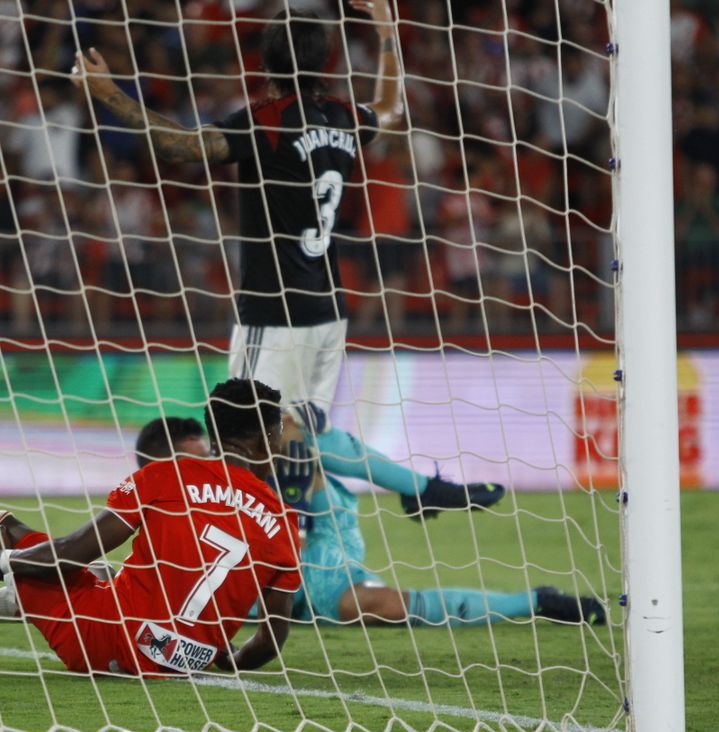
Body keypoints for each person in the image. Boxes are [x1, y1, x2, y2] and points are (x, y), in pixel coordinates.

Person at [70, 2, 504, 522]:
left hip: (274, 313)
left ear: (262, 65)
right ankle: (417, 488)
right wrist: (388, 33)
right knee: (303, 432)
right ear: (325, 63)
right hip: (328, 308)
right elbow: (389, 111)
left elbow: (180, 145)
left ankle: (264, 562)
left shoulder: (267, 124)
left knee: (244, 444)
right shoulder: (343, 118)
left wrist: (110, 94)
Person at [0, 379, 300, 676]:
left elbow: (73, 551)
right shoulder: (285, 522)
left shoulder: (168, 473)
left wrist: (4, 561)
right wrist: (219, 659)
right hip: (178, 662)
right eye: (280, 428)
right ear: (266, 438)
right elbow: (269, 642)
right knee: (114, 578)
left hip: (101, 638)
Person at [133, 417, 606, 628]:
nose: (206, 466)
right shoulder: (160, 513)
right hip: (290, 585)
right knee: (380, 606)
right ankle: (535, 602)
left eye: (206, 454)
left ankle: (420, 489)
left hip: (319, 536)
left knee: (294, 431)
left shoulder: (235, 466)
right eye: (191, 461)